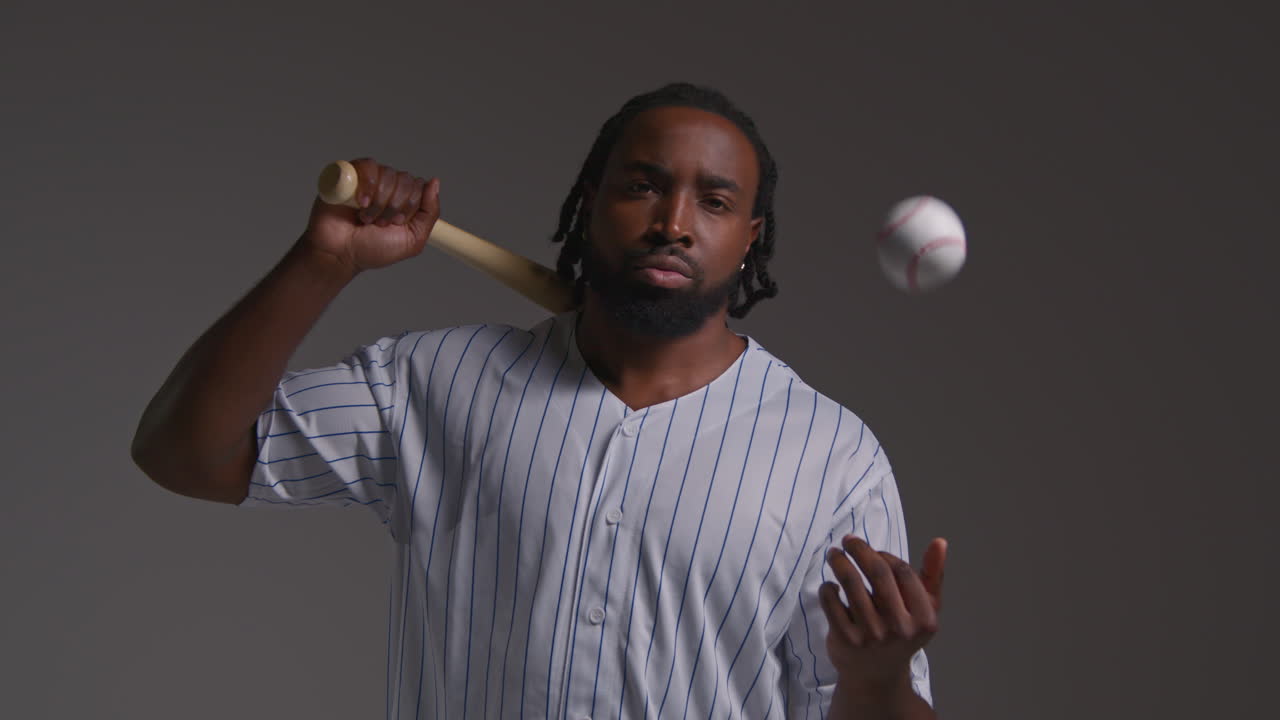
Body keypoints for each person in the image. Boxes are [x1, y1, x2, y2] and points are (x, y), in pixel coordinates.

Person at [132, 82, 946, 719]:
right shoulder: (439, 381)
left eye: (715, 201)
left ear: (751, 238)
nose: (673, 222)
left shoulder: (829, 456)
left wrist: (874, 686)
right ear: (590, 201)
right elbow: (182, 453)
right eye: (644, 185)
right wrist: (324, 260)